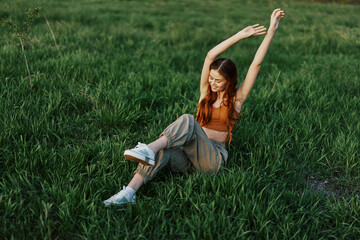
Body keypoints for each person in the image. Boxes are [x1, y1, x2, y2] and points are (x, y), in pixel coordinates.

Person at [103, 8, 285, 206]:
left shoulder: (236, 100)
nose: (212, 83)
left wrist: (271, 32)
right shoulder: (206, 95)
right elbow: (209, 56)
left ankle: (148, 148)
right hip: (188, 156)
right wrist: (240, 35)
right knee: (163, 150)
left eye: (218, 80)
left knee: (188, 120)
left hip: (212, 159)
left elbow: (255, 65)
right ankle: (129, 192)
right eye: (211, 78)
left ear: (229, 81)